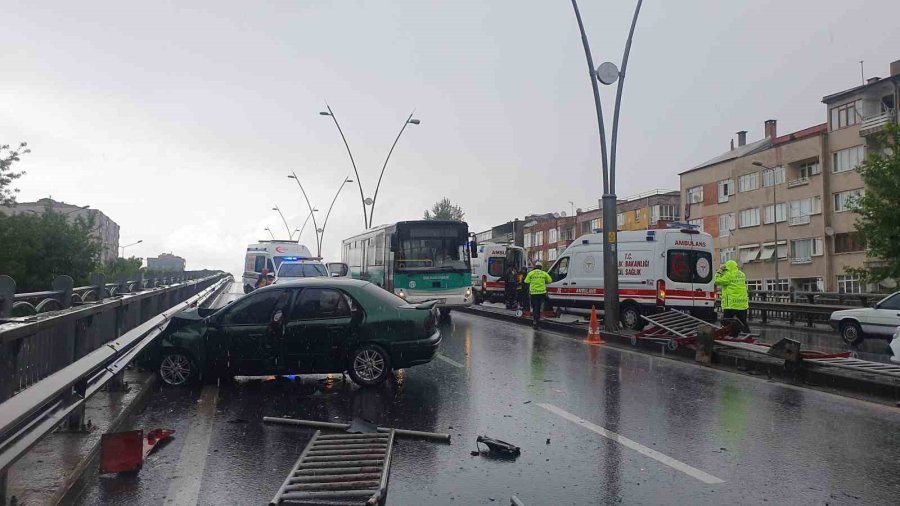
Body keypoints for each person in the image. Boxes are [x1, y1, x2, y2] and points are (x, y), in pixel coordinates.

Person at [715, 259, 749, 333]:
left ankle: (730, 334)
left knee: (725, 321)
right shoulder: (742, 274)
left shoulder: (728, 275)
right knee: (743, 322)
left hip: (731, 304)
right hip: (742, 304)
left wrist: (719, 271)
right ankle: (748, 336)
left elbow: (716, 281)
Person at [524, 263, 553, 329]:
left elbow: (526, 281)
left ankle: (535, 322)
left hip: (534, 294)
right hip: (542, 293)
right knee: (539, 307)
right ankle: (538, 321)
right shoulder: (544, 273)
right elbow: (550, 281)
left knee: (535, 308)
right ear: (541, 267)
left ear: (535, 267)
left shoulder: (531, 273)